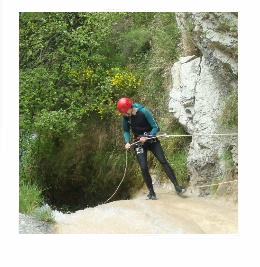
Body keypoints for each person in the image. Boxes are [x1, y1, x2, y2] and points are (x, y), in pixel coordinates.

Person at [117, 97, 186, 200]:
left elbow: (156, 127)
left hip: (151, 139)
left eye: (124, 112)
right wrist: (127, 142)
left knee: (163, 161)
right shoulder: (126, 118)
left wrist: (148, 136)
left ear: (129, 108)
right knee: (144, 167)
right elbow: (126, 131)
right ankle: (151, 193)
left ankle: (177, 186)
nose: (123, 115)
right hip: (139, 142)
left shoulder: (144, 112)